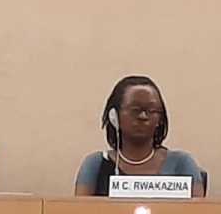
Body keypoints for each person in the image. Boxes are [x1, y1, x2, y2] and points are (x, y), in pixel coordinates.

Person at [75, 75, 205, 197]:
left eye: (151, 110)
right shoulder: (96, 163)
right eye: (135, 109)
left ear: (160, 119)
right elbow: (80, 212)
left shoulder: (181, 163)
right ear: (114, 116)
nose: (143, 116)